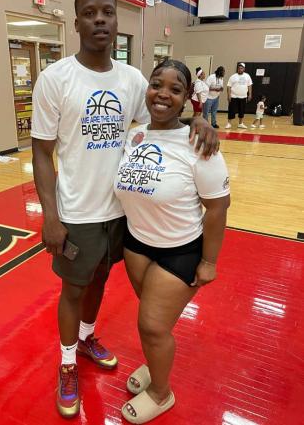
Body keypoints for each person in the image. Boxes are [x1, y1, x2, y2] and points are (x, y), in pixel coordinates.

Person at [31, 0, 219, 419]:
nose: (100, 19)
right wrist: (51, 216)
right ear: (76, 22)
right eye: (90, 13)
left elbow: (159, 116)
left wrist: (199, 119)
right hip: (76, 211)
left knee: (98, 280)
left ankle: (88, 337)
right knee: (73, 288)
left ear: (117, 20)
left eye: (108, 12)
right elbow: (41, 152)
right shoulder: (55, 79)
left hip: (121, 214)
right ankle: (66, 363)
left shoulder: (133, 79)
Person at [114, 59, 230, 424]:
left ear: (186, 99)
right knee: (155, 323)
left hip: (181, 250)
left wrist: (209, 262)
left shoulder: (198, 141)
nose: (163, 94)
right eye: (156, 84)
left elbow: (218, 206)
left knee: (151, 325)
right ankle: (155, 367)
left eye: (175, 89)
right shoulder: (135, 134)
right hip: (136, 243)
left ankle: (161, 393)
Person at [226, 62, 252, 129]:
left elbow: (249, 85)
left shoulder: (247, 76)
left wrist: (250, 94)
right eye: (239, 68)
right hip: (234, 96)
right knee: (231, 110)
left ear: (244, 69)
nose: (240, 69)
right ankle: (229, 123)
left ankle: (240, 123)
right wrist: (229, 95)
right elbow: (228, 86)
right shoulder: (233, 76)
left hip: (243, 97)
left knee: (242, 110)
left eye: (241, 68)